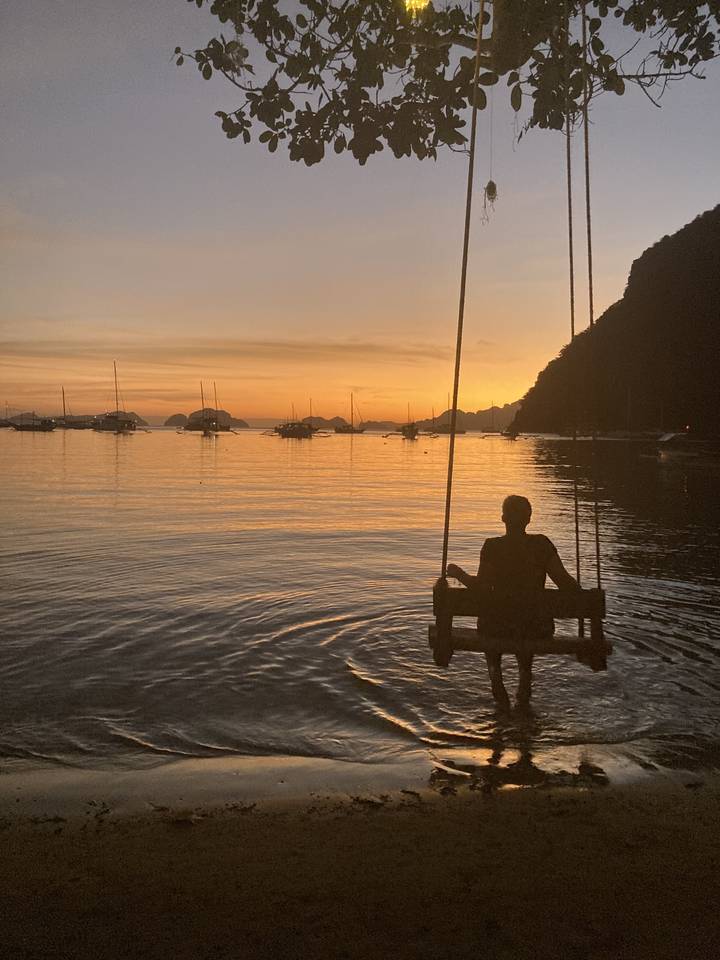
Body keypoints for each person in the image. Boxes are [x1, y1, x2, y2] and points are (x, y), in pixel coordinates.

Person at [446, 495, 579, 710]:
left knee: (494, 615)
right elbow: (564, 582)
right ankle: (525, 677)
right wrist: (584, 597)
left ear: (503, 518)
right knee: (525, 617)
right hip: (537, 629)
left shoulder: (492, 547)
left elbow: (481, 587)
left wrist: (457, 573)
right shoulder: (542, 545)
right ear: (529, 519)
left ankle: (495, 675)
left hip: (495, 628)